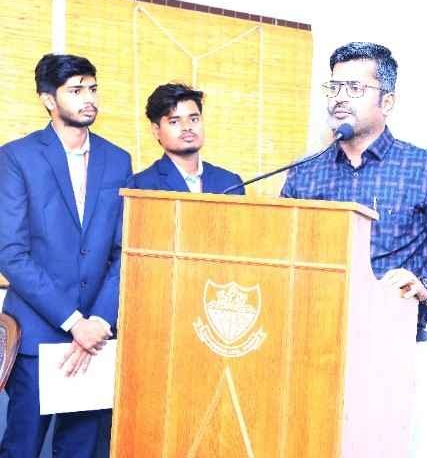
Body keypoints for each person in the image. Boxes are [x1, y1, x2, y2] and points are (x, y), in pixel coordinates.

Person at [281, 42, 427, 341]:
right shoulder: (305, 172)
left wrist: (426, 284)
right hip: (312, 332)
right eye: (334, 87)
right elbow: (280, 250)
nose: (340, 98)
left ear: (387, 102)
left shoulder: (423, 168)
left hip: (392, 335)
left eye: (354, 88)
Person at [0, 53, 132, 457]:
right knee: (22, 448)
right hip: (38, 335)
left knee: (83, 450)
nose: (88, 98)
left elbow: (123, 251)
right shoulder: (17, 157)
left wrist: (99, 322)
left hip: (96, 338)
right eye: (75, 90)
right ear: (48, 99)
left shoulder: (118, 159)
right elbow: (11, 253)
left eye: (92, 88)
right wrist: (74, 322)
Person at [127, 83, 244, 195]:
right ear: (156, 130)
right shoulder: (142, 185)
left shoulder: (230, 183)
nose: (187, 127)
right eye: (174, 122)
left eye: (194, 119)